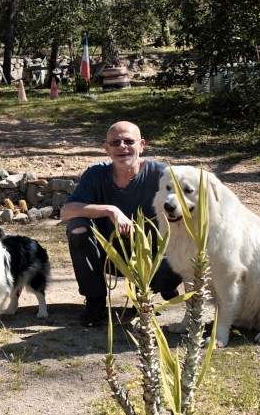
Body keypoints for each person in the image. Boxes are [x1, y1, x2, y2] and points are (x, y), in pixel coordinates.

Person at [59, 120, 182, 327]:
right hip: (111, 256)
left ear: (141, 145)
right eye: (115, 142)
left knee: (184, 242)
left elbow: (188, 210)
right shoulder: (95, 174)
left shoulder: (163, 175)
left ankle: (156, 288)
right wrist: (110, 210)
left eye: (129, 141)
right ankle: (95, 302)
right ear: (106, 148)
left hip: (155, 256)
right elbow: (65, 212)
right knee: (77, 226)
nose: (122, 147)